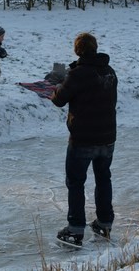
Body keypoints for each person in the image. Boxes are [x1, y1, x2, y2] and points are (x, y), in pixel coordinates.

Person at [50, 32, 117, 247]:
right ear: (95, 48)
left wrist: (57, 87)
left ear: (77, 50)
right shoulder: (109, 71)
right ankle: (104, 222)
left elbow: (60, 100)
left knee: (76, 182)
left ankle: (75, 228)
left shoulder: (78, 74)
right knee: (103, 178)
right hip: (107, 137)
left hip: (83, 138)